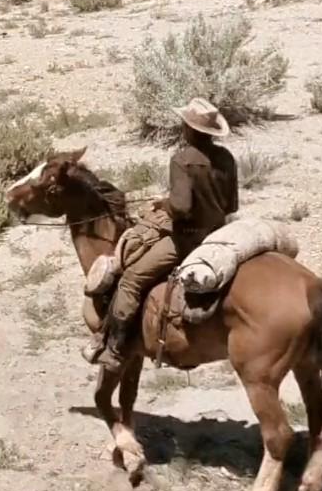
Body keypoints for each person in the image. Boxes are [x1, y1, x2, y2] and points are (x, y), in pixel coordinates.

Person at [83, 97, 240, 372]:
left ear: (191, 130)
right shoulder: (225, 158)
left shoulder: (182, 160)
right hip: (219, 234)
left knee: (131, 279)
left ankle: (116, 349)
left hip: (187, 239)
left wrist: (164, 204)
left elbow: (181, 207)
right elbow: (231, 205)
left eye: (185, 124)